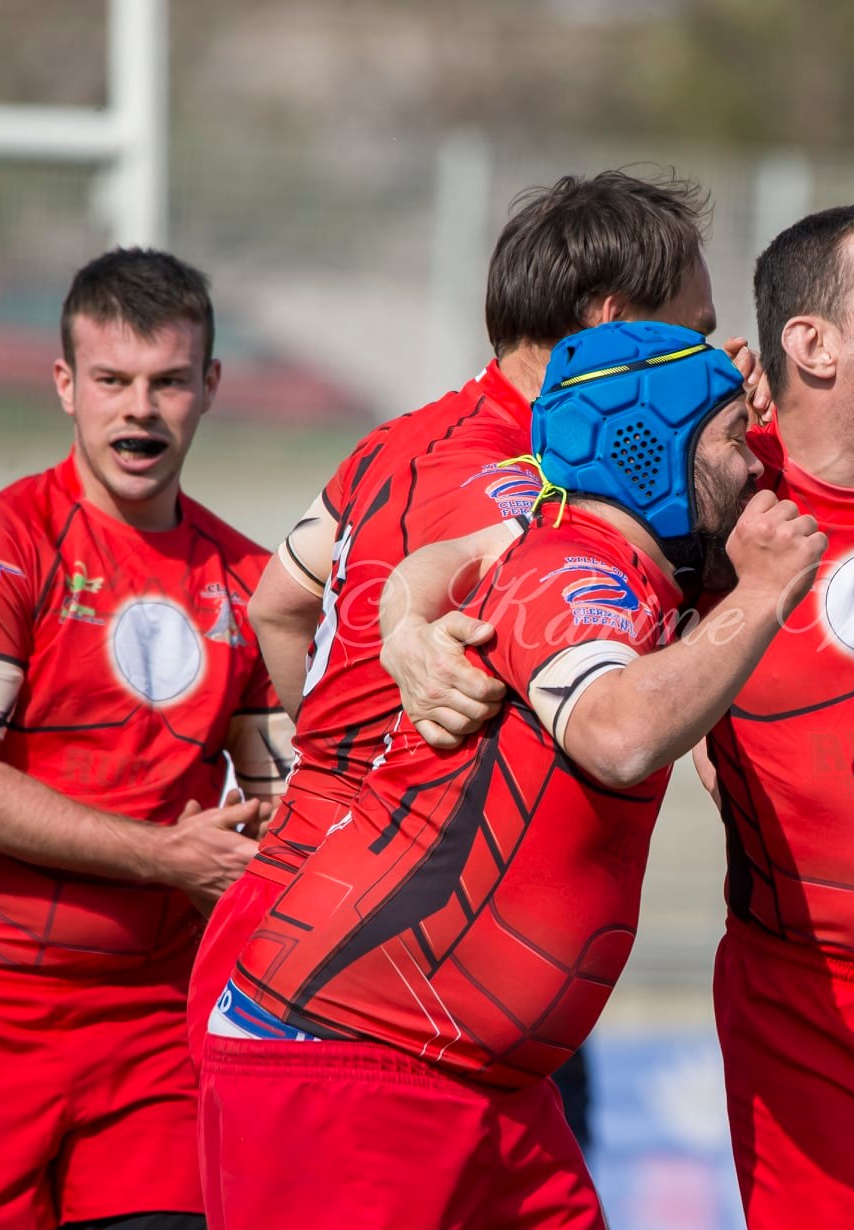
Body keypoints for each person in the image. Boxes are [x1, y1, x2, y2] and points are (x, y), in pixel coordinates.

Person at [385, 4, 854, 1224]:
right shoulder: (712, 495)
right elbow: (499, 552)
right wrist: (403, 622)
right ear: (814, 343)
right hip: (817, 1025)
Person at [198, 324, 824, 1230]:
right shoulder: (576, 574)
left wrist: (405, 616)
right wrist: (763, 597)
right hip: (349, 1061)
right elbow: (616, 733)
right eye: (733, 441)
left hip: (484, 1085)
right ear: (654, 451)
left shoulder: (591, 549)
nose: (756, 467)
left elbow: (451, 557)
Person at [185, 171, 764, 1144]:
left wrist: (319, 774)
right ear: (615, 323)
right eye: (695, 331)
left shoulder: (405, 440)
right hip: (376, 976)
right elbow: (615, 714)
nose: (713, 355)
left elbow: (279, 603)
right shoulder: (546, 488)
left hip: (307, 915)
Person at [0, 249, 289, 1230]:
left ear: (211, 386)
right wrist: (164, 855)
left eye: (169, 381)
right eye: (113, 381)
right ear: (64, 386)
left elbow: (294, 798)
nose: (140, 410)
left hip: (153, 1026)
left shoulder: (253, 582)